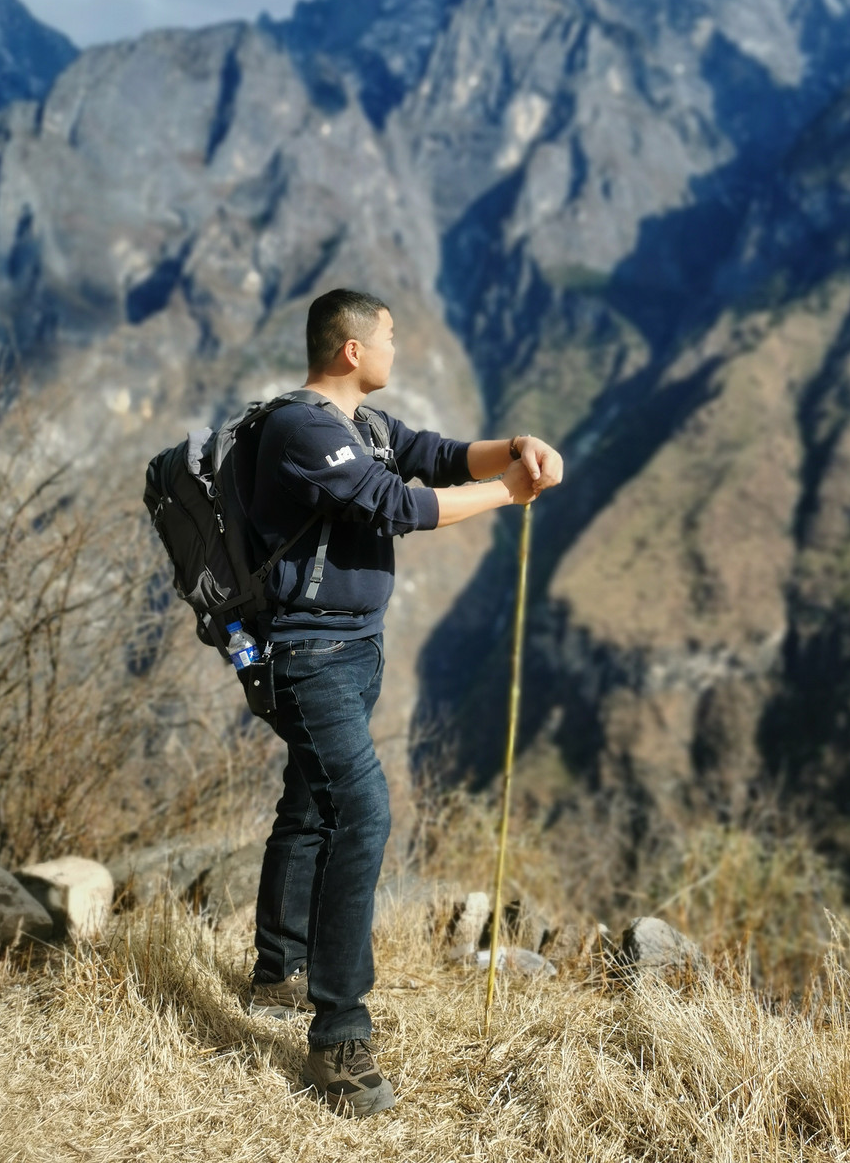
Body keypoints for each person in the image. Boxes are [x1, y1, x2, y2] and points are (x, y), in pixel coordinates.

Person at [245, 287, 563, 1117]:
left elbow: (439, 454)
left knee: (312, 803)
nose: (397, 347)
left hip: (355, 649)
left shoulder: (369, 429)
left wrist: (516, 448)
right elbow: (399, 504)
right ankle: (339, 1040)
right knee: (365, 811)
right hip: (306, 655)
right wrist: (512, 497)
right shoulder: (303, 428)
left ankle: (275, 972)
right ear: (351, 350)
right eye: (388, 336)